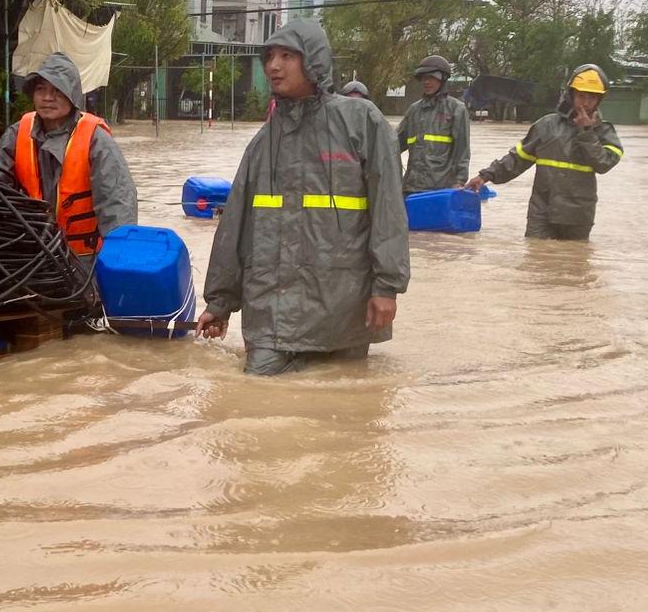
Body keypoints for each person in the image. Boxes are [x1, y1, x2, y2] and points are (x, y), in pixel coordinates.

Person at [196, 20, 410, 376]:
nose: (273, 66)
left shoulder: (361, 122)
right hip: (271, 312)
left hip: (344, 306)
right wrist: (220, 302)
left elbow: (389, 211)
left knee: (345, 399)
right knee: (257, 394)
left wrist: (387, 288)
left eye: (286, 56)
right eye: (269, 57)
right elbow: (235, 225)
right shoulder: (264, 142)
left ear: (313, 60)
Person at [0, 52, 137, 258]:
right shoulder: (16, 134)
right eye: (41, 89)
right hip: (31, 254)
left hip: (84, 259)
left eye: (57, 90)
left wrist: (120, 259)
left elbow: (117, 204)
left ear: (72, 96)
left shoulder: (96, 140)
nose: (47, 98)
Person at [465, 64, 624, 241]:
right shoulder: (547, 125)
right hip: (542, 214)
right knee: (537, 255)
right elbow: (517, 159)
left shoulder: (604, 132)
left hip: (578, 217)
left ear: (599, 100)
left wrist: (586, 132)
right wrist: (485, 176)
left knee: (575, 257)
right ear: (571, 95)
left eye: (592, 98)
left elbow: (603, 164)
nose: (586, 103)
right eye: (581, 96)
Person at [396, 54, 470, 193]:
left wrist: (459, 182)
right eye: (423, 78)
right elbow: (392, 144)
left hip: (441, 190)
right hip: (410, 188)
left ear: (443, 78)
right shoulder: (413, 110)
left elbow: (462, 152)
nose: (426, 82)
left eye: (431, 77)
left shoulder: (456, 109)